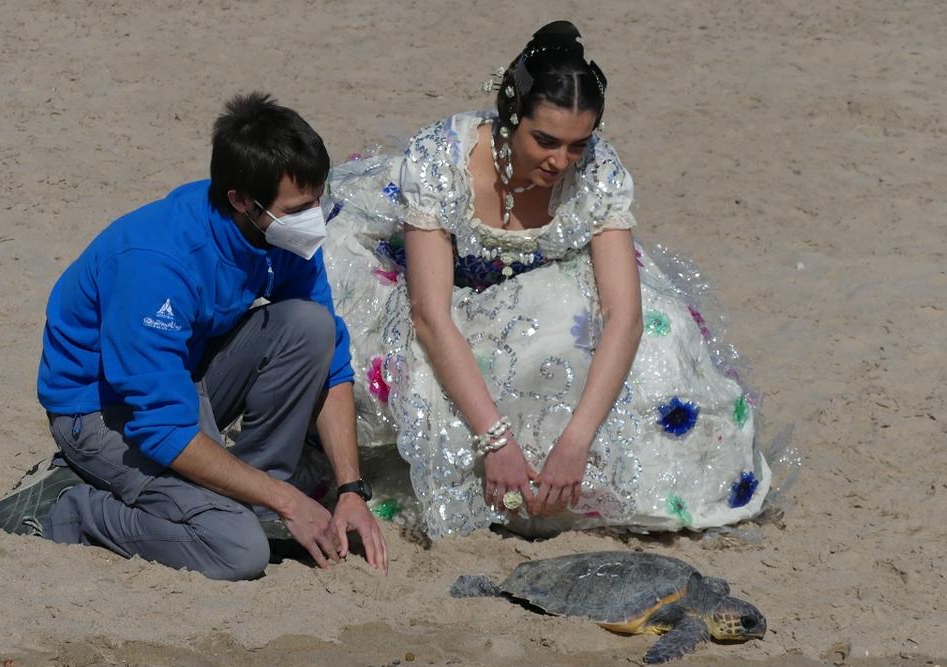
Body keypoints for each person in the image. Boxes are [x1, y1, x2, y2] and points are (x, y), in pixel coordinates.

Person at [321, 21, 771, 539]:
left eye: (578, 145)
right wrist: (496, 441)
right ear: (511, 116)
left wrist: (576, 442)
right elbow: (429, 315)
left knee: (659, 337)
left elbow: (624, 317)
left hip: (540, 291)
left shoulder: (598, 173)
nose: (561, 161)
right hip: (438, 295)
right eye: (545, 141)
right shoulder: (442, 161)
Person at [0, 92, 388, 579]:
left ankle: (248, 499)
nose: (312, 218)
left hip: (181, 376)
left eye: (317, 200)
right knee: (238, 552)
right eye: (298, 208)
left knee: (311, 327)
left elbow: (332, 362)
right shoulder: (158, 263)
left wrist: (350, 491)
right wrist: (289, 502)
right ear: (239, 200)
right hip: (99, 409)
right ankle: (63, 505)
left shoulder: (276, 231)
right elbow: (162, 427)